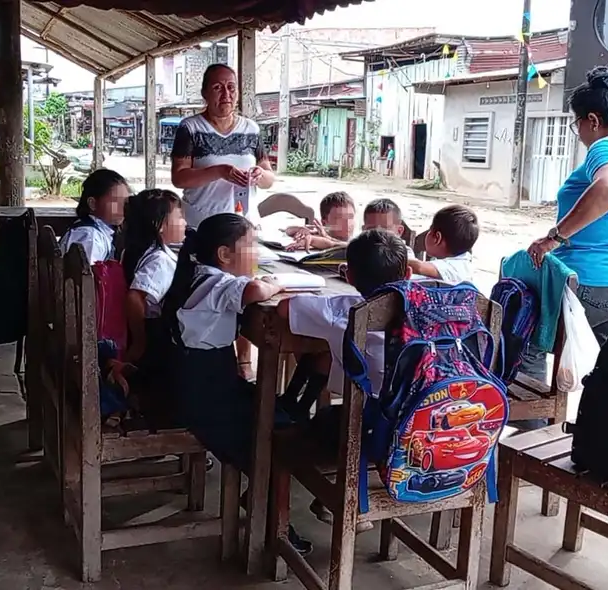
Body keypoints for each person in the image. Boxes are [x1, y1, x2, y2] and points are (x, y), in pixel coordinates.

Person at [160, 212, 313, 556]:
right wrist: (277, 283)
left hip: (199, 383)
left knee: (278, 419)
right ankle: (275, 521)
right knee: (270, 441)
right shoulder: (220, 284)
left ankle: (266, 496)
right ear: (224, 254)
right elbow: (257, 289)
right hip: (207, 398)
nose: (256, 252)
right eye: (251, 245)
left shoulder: (200, 275)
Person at [277, 228, 411, 531]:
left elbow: (285, 308)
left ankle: (344, 494)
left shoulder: (344, 309)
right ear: (409, 274)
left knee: (310, 424)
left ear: (348, 276)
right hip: (436, 425)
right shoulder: (437, 307)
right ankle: (358, 486)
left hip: (374, 432)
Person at [525, 67, 608, 345]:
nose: (578, 133)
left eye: (576, 124)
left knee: (523, 337)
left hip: (591, 284)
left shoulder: (607, 147)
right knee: (601, 365)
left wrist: (555, 238)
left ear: (593, 120)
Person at [170, 64, 276, 226]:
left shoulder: (251, 129)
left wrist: (259, 175)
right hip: (201, 225)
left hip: (243, 225)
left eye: (231, 87)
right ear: (204, 93)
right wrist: (219, 171)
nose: (226, 94)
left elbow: (269, 179)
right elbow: (179, 178)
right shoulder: (190, 128)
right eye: (217, 88)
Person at [120, 189, 187, 422]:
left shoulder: (139, 250)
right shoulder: (159, 261)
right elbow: (135, 297)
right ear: (160, 226)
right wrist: (139, 341)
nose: (184, 222)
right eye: (179, 216)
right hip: (154, 337)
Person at [58, 169, 131, 264]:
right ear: (92, 203)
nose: (122, 207)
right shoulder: (90, 237)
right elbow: (86, 272)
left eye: (125, 202)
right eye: (115, 201)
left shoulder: (95, 231)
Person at [407, 204, 479, 284]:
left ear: (437, 238)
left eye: (430, 230)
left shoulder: (456, 267)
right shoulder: (464, 261)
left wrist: (398, 258)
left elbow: (419, 267)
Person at [285, 191, 356, 251]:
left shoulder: (358, 241)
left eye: (350, 217)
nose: (347, 223)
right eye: (339, 219)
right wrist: (301, 230)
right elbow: (288, 230)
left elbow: (351, 247)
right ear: (324, 223)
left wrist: (326, 238)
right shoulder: (321, 234)